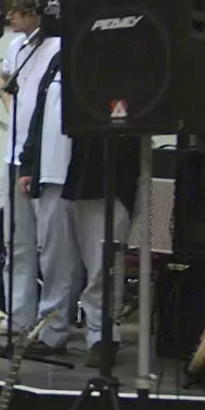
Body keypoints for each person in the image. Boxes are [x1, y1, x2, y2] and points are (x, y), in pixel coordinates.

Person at [0, 0, 76, 353]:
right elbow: (2, 78)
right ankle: (18, 319)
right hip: (15, 156)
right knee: (17, 244)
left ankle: (54, 325)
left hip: (49, 162)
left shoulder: (61, 46)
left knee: (53, 248)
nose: (9, 16)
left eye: (16, 9)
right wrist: (11, 108)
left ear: (34, 11)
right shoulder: (15, 47)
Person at [62, 130, 141, 367]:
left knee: (106, 263)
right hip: (84, 170)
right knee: (95, 263)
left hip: (123, 166)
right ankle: (98, 334)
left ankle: (104, 335)